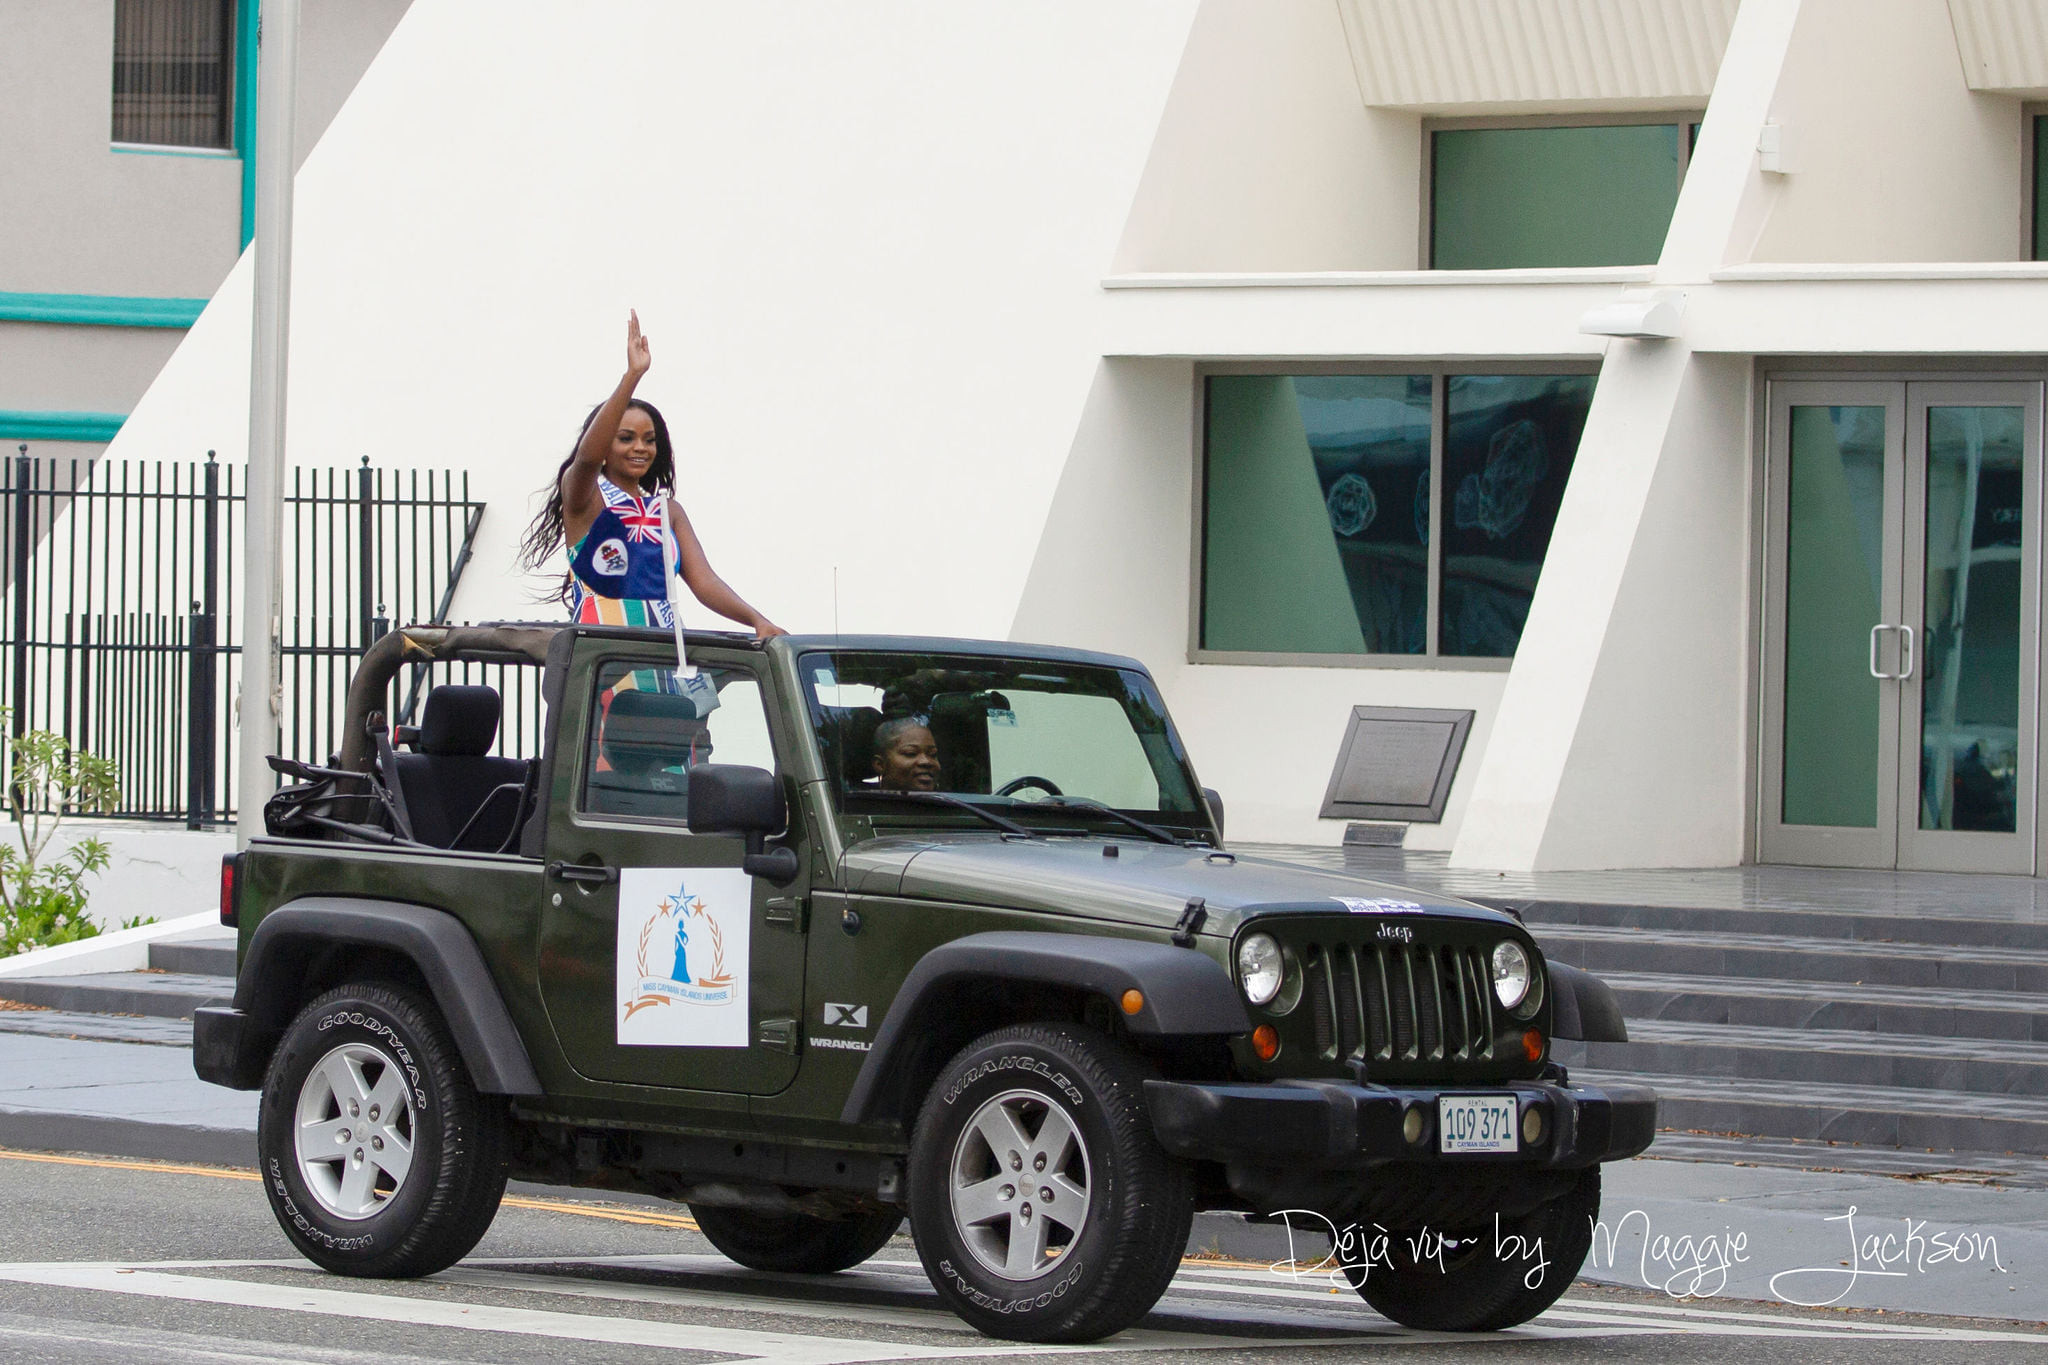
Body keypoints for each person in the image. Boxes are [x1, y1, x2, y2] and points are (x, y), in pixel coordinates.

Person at [520, 311, 785, 636]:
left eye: (649, 440)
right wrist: (632, 376)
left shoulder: (668, 510)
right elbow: (587, 460)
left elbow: (706, 583)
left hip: (666, 651)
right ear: (605, 444)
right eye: (626, 438)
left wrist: (757, 620)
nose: (640, 448)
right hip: (604, 658)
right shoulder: (585, 498)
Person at [873, 717, 941, 791]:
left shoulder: (948, 800)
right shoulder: (863, 801)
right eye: (911, 753)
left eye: (933, 755)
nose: (926, 761)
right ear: (880, 765)